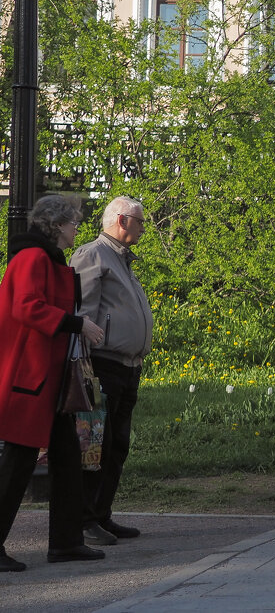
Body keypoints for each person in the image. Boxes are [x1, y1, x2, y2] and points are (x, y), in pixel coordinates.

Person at [0, 195, 108, 571]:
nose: (76, 227)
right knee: (16, 464)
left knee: (65, 458)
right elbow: (26, 307)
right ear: (56, 225)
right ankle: (61, 542)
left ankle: (66, 542)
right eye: (73, 222)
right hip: (30, 377)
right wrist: (77, 324)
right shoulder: (33, 258)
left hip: (45, 379)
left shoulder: (42, 257)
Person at [70, 196, 153, 546]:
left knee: (117, 445)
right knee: (96, 446)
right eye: (140, 221)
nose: (144, 227)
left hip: (127, 366)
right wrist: (86, 363)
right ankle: (85, 519)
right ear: (122, 220)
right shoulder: (94, 254)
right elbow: (84, 312)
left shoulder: (121, 258)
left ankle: (102, 514)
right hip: (103, 364)